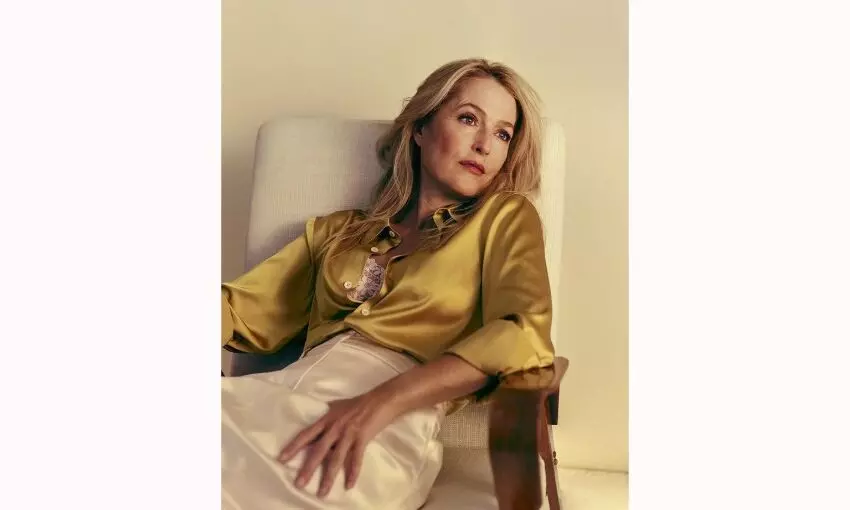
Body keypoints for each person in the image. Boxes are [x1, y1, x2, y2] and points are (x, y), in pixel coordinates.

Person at [221, 57, 556, 509]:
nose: (483, 145)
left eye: (502, 134)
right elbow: (236, 309)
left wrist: (378, 404)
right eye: (468, 119)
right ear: (420, 128)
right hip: (272, 399)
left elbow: (522, 333)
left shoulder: (504, 219)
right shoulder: (338, 232)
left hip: (384, 426)